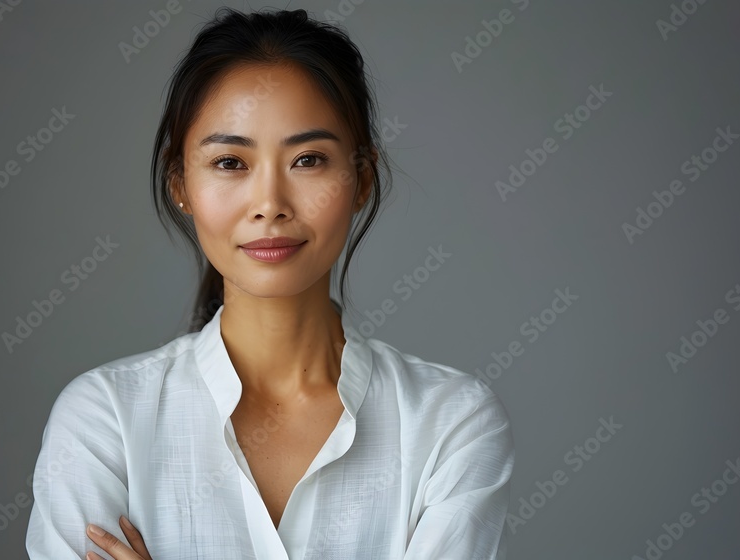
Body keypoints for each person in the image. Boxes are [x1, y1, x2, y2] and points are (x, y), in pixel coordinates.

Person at [26, 7, 514, 559]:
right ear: (180, 183)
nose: (269, 206)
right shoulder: (103, 420)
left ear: (361, 180)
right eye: (231, 162)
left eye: (308, 159)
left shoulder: (450, 423)